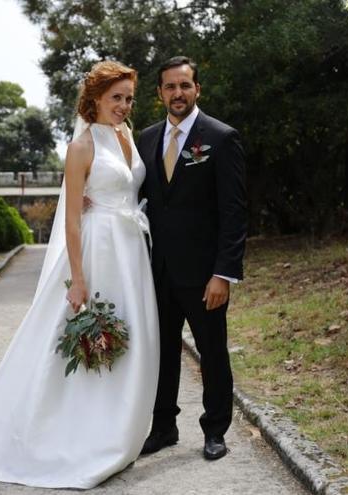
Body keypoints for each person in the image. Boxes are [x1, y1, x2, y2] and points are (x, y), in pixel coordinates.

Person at [0, 61, 159, 489]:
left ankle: (120, 430)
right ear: (95, 98)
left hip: (131, 251)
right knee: (86, 335)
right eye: (116, 97)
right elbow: (73, 222)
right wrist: (78, 278)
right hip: (98, 249)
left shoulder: (126, 136)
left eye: (129, 98)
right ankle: (78, 433)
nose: (123, 105)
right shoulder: (82, 146)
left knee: (132, 336)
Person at [137, 56, 247, 461]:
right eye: (170, 87)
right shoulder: (146, 139)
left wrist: (224, 273)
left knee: (212, 352)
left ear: (197, 89)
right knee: (161, 353)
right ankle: (163, 426)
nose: (177, 93)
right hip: (155, 271)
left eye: (185, 85)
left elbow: (234, 213)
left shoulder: (220, 137)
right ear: (160, 93)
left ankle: (215, 430)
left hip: (204, 275)